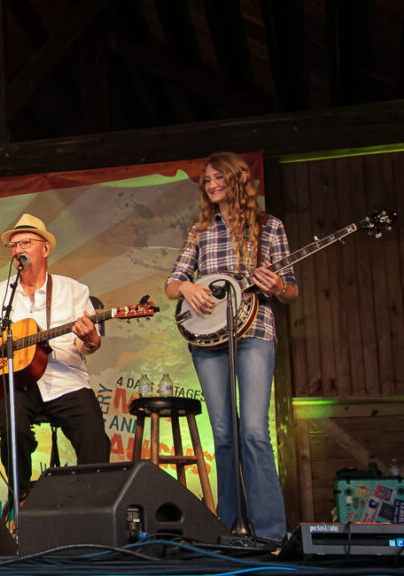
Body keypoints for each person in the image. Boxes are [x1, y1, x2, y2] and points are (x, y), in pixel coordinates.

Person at [165, 151, 296, 542]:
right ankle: (230, 529)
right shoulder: (199, 230)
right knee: (223, 434)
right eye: (206, 180)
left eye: (218, 177)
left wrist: (278, 286)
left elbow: (290, 288)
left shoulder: (268, 227)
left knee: (254, 431)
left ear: (238, 180)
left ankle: (271, 533)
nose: (211, 185)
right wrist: (188, 287)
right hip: (208, 339)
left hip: (256, 333)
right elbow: (173, 283)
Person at [0, 214, 110, 508]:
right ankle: (23, 498)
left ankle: (92, 505)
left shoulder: (74, 291)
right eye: (14, 245)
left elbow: (84, 345)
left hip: (65, 381)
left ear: (45, 249)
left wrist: (91, 339)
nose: (18, 249)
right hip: (15, 386)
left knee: (93, 432)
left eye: (26, 242)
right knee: (12, 427)